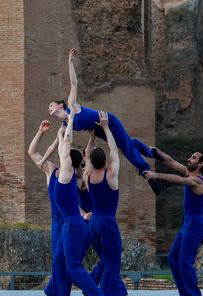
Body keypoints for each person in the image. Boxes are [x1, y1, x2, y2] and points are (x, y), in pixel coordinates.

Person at [48, 48, 160, 193]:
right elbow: (56, 146)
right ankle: (150, 152)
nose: (49, 109)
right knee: (124, 142)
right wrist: (41, 160)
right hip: (98, 129)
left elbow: (74, 84)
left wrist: (70, 63)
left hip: (107, 121)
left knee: (125, 147)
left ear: (59, 105)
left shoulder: (71, 105)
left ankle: (146, 172)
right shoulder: (65, 125)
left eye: (50, 106)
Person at [46, 113, 115, 296]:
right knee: (59, 263)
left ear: (69, 164)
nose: (60, 161)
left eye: (64, 158)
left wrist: (69, 124)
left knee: (72, 265)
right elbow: (63, 146)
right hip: (70, 224)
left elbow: (67, 144)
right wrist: (59, 133)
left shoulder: (68, 175)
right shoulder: (61, 176)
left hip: (74, 225)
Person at [144, 149, 203, 296]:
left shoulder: (197, 181)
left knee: (184, 261)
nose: (189, 159)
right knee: (173, 258)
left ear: (201, 164)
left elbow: (178, 180)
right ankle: (185, 294)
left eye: (193, 157)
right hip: (187, 223)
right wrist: (155, 151)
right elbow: (171, 161)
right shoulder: (189, 172)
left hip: (195, 224)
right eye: (190, 156)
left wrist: (156, 175)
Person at [85, 111, 134, 296]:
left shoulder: (88, 176)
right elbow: (114, 151)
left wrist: (91, 136)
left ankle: (91, 285)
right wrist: (105, 127)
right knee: (113, 261)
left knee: (105, 259)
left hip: (93, 222)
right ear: (105, 162)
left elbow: (88, 156)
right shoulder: (110, 176)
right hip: (107, 222)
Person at [27, 120, 64, 296]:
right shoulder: (51, 170)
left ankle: (94, 292)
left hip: (72, 222)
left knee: (69, 262)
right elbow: (32, 152)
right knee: (60, 260)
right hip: (57, 222)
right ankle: (57, 294)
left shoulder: (74, 173)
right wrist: (41, 132)